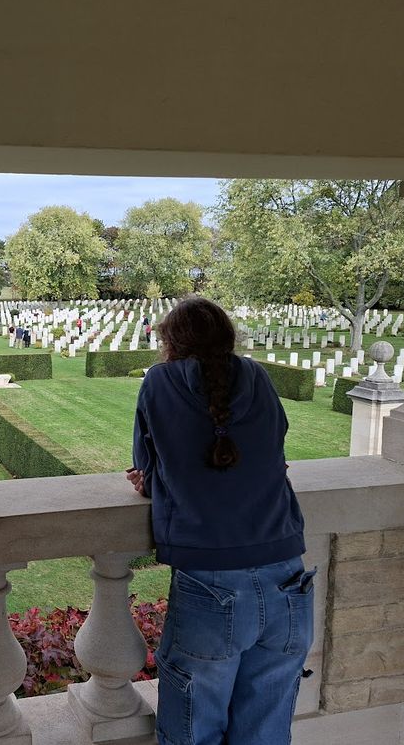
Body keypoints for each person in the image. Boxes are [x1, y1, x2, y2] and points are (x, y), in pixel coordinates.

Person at [128, 296, 313, 745]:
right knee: (266, 734)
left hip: (211, 579)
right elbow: (275, 448)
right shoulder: (258, 376)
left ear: (171, 342)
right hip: (287, 570)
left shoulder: (159, 382)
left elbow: (146, 467)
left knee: (193, 731)